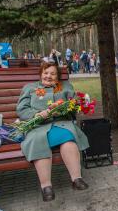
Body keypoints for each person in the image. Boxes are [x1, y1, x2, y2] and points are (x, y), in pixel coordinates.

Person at [16, 61, 90, 201]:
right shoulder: (30, 88)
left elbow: (74, 105)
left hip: (61, 123)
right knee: (38, 141)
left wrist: (63, 107)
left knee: (68, 138)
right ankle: (46, 187)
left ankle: (76, 179)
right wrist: (36, 114)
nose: (48, 76)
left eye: (52, 73)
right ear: (41, 74)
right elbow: (21, 109)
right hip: (38, 126)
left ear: (57, 76)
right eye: (45, 73)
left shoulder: (65, 87)